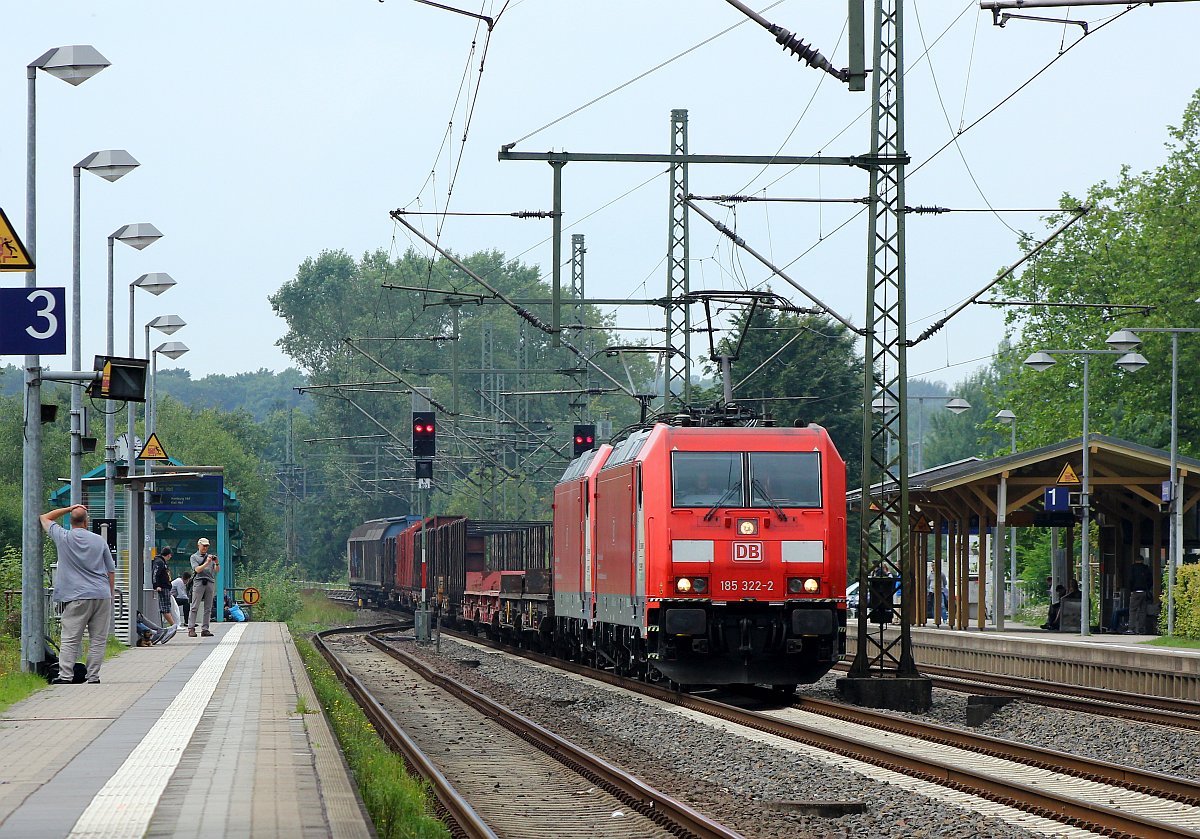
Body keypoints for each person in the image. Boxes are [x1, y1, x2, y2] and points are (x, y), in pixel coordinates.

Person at [39, 504, 115, 685]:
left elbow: (44, 518)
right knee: (98, 639)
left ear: (70, 521)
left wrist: (69, 508)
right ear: (86, 522)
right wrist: (109, 595)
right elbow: (110, 570)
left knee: (70, 638)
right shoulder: (99, 540)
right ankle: (93, 677)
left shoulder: (62, 536)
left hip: (75, 597)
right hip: (101, 595)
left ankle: (66, 676)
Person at [188, 537, 219, 638]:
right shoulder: (194, 557)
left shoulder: (210, 557)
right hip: (199, 582)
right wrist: (207, 563)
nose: (205, 548)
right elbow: (197, 569)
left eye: (207, 546)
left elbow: (217, 570)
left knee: (208, 607)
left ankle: (205, 629)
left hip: (210, 582)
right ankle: (191, 628)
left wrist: (216, 562)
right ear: (199, 545)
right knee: (194, 606)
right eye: (204, 545)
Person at [152, 548, 175, 629]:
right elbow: (155, 574)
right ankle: (173, 625)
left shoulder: (162, 562)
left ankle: (173, 624)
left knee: (166, 606)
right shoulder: (159, 562)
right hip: (163, 587)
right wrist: (156, 585)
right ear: (168, 555)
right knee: (165, 608)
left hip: (165, 587)